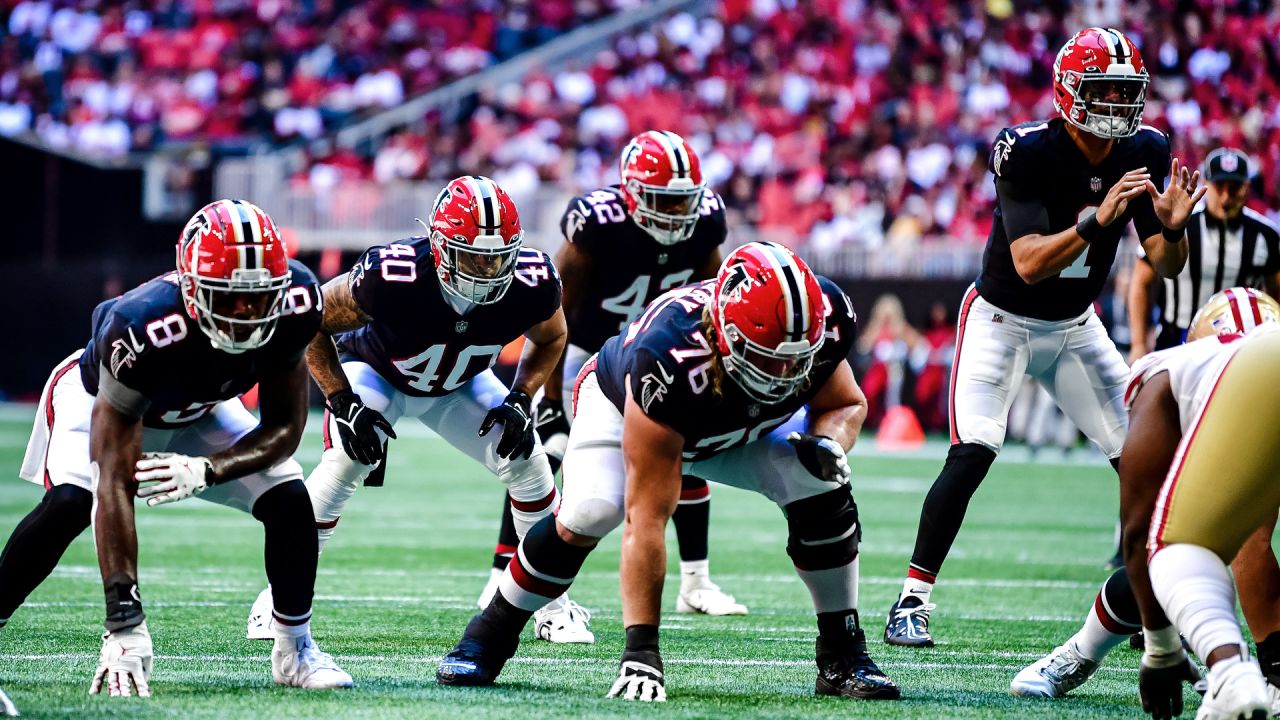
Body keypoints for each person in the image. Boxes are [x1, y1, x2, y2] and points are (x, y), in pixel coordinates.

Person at [436, 241, 901, 703]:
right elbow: (646, 520)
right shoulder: (668, 357)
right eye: (766, 355)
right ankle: (489, 635)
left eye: (794, 357)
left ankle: (843, 654)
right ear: (722, 333)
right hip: (622, 405)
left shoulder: (824, 316)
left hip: (736, 424)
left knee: (819, 481)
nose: (782, 372)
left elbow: (845, 403)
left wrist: (827, 443)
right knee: (593, 511)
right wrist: (642, 651)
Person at [884, 26, 1204, 648]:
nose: (1116, 104)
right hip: (1002, 318)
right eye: (1104, 89)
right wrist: (1097, 219)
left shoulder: (1145, 148)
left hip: (1076, 328)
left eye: (1126, 90)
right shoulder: (1025, 150)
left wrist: (1175, 229)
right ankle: (910, 602)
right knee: (974, 448)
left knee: (1146, 462)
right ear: (1069, 92)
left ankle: (1153, 603)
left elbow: (1166, 263)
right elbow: (1028, 262)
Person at [0, 199, 351, 696]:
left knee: (290, 499)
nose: (247, 314)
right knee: (71, 502)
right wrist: (125, 621)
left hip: (199, 412)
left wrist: (208, 469)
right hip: (103, 403)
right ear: (190, 286)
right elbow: (113, 481)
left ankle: (295, 650)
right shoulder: (140, 327)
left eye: (259, 297)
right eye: (228, 298)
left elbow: (282, 430)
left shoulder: (296, 300)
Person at [244, 176, 568, 644]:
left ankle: (552, 605)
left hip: (460, 384)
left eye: (498, 255)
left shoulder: (532, 282)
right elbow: (310, 323)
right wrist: (342, 401)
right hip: (377, 373)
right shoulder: (393, 275)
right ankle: (276, 599)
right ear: (438, 245)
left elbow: (553, 336)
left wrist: (522, 396)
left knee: (528, 461)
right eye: (472, 254)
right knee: (345, 462)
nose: (487, 268)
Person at [476, 131, 743, 644]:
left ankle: (697, 583)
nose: (675, 212)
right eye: (663, 200)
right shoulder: (597, 224)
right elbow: (554, 308)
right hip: (589, 352)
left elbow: (713, 297)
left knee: (678, 447)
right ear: (631, 192)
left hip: (659, 354)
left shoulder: (706, 220)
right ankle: (501, 574)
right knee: (545, 452)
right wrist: (550, 400)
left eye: (683, 200)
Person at [1010, 288, 1280, 707]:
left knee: (1173, 548)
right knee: (1206, 545)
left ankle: (1233, 672)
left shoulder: (1171, 370)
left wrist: (1161, 650)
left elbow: (1140, 536)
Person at [1129, 147, 1280, 359]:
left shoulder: (1267, 235)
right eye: (1219, 186)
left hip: (1241, 348)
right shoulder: (1178, 224)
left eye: (1235, 187)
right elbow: (1141, 280)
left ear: (1246, 187)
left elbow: (1274, 295)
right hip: (1177, 341)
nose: (1226, 197)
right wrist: (1138, 343)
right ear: (1206, 184)